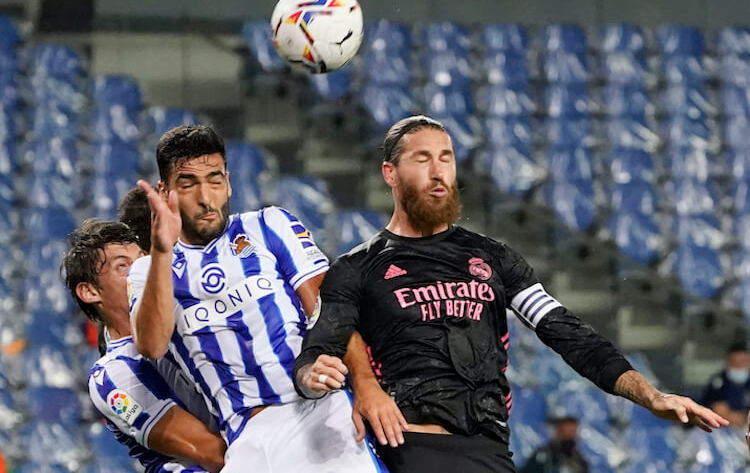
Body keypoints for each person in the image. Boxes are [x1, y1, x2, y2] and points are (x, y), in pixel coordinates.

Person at [293, 115, 729, 473]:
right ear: (390, 173)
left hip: (488, 450)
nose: (438, 172)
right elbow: (317, 352)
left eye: (446, 158)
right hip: (408, 447)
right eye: (422, 159)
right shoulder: (357, 267)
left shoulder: (494, 258)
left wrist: (650, 395)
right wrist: (317, 377)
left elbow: (565, 332)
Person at [129, 124, 385, 472]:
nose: (206, 198)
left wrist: (366, 384)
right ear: (165, 191)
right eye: (188, 184)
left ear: (228, 182)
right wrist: (162, 250)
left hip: (317, 413)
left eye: (215, 180)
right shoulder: (148, 271)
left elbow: (332, 313)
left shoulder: (269, 226)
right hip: (245, 440)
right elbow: (151, 345)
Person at [62, 218, 225, 472]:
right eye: (123, 266)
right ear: (90, 291)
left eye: (142, 258)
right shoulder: (112, 374)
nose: (141, 269)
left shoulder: (187, 321)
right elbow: (211, 453)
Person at [700, 342, 750, 427]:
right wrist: (742, 418)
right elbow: (720, 411)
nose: (738, 366)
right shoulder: (718, 383)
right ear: (728, 362)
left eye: (743, 362)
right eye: (734, 362)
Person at [520, 416, 588, 473]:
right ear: (557, 433)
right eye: (563, 432)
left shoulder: (580, 462)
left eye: (571, 433)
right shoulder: (543, 456)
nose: (568, 437)